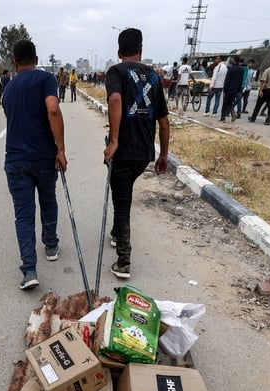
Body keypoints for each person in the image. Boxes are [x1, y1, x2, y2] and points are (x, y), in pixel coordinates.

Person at [104, 28, 169, 279]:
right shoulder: (153, 75)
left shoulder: (116, 71)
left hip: (124, 150)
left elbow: (115, 101)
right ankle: (116, 233)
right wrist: (163, 154)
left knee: (121, 201)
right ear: (141, 50)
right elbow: (164, 120)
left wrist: (115, 141)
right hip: (144, 152)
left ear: (119, 52)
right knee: (124, 192)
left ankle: (124, 260)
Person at [2, 39, 67, 290]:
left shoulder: (8, 88)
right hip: (44, 158)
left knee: (23, 214)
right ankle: (50, 244)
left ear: (15, 62)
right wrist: (60, 149)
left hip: (16, 160)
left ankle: (29, 270)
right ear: (37, 59)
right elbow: (52, 109)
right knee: (48, 200)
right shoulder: (45, 79)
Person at [248, 57, 270, 124]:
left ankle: (253, 118)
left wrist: (261, 90)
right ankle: (268, 120)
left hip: (266, 89)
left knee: (258, 104)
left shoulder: (268, 70)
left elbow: (264, 81)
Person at [221, 55, 244, 122]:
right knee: (230, 102)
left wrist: (225, 90)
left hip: (228, 89)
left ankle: (223, 117)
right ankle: (232, 113)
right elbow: (241, 80)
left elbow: (227, 80)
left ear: (234, 60)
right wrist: (239, 89)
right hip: (235, 89)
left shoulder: (230, 69)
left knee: (225, 103)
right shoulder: (241, 70)